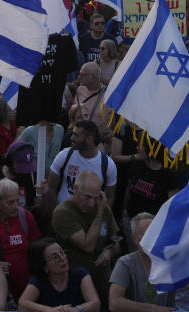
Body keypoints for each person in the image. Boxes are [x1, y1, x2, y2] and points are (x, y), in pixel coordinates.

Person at [51, 170, 122, 298]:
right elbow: (87, 246)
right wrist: (99, 213)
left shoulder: (103, 207)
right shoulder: (63, 213)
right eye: (87, 197)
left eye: (95, 198)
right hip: (76, 286)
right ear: (75, 189)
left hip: (102, 282)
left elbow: (116, 242)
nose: (91, 204)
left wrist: (109, 252)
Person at [0, 178, 43, 299]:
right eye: (10, 202)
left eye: (18, 200)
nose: (16, 206)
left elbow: (38, 249)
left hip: (27, 292)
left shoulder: (25, 217)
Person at [46, 120, 117, 207]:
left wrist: (101, 218)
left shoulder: (108, 165)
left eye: (76, 135)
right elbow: (51, 187)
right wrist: (53, 212)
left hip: (89, 219)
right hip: (63, 216)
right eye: (73, 134)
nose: (71, 138)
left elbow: (109, 197)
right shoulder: (65, 155)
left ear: (89, 139)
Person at [18, 237, 100, 312]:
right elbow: (22, 305)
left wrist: (76, 310)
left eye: (62, 252)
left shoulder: (80, 274)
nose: (62, 258)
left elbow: (95, 304)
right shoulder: (39, 280)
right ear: (44, 267)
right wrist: (52, 310)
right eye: (55, 257)